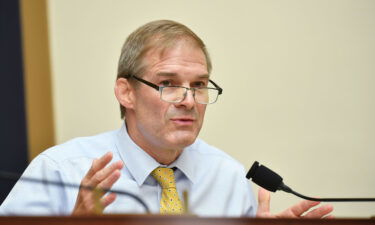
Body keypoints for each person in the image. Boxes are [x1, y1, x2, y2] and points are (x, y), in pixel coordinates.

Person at [0, 20, 333, 217]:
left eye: (199, 85)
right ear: (125, 92)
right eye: (168, 84)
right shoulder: (61, 171)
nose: (188, 100)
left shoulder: (227, 176)